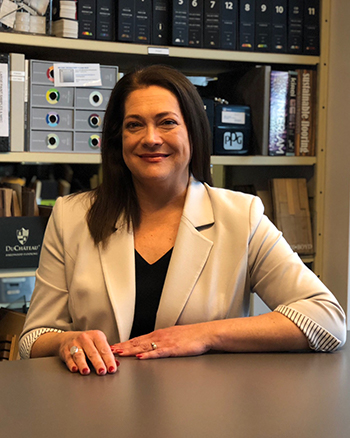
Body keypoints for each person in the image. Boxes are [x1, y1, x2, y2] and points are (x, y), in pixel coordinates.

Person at [19, 65, 346, 376]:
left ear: (193, 132)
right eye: (134, 125)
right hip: (94, 407)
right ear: (118, 141)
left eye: (167, 122)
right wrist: (66, 341)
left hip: (203, 411)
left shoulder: (241, 216)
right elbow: (33, 337)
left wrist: (205, 335)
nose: (150, 138)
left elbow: (326, 319)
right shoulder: (72, 216)